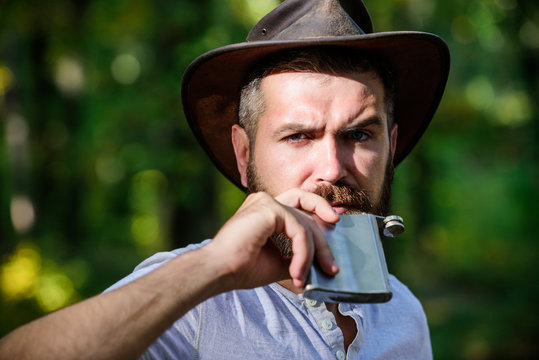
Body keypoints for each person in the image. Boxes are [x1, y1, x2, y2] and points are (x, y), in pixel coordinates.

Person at [0, 0, 449, 358]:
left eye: (358, 134)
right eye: (297, 136)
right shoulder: (192, 296)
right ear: (244, 154)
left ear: (390, 147)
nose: (333, 167)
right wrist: (214, 268)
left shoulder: (404, 314)